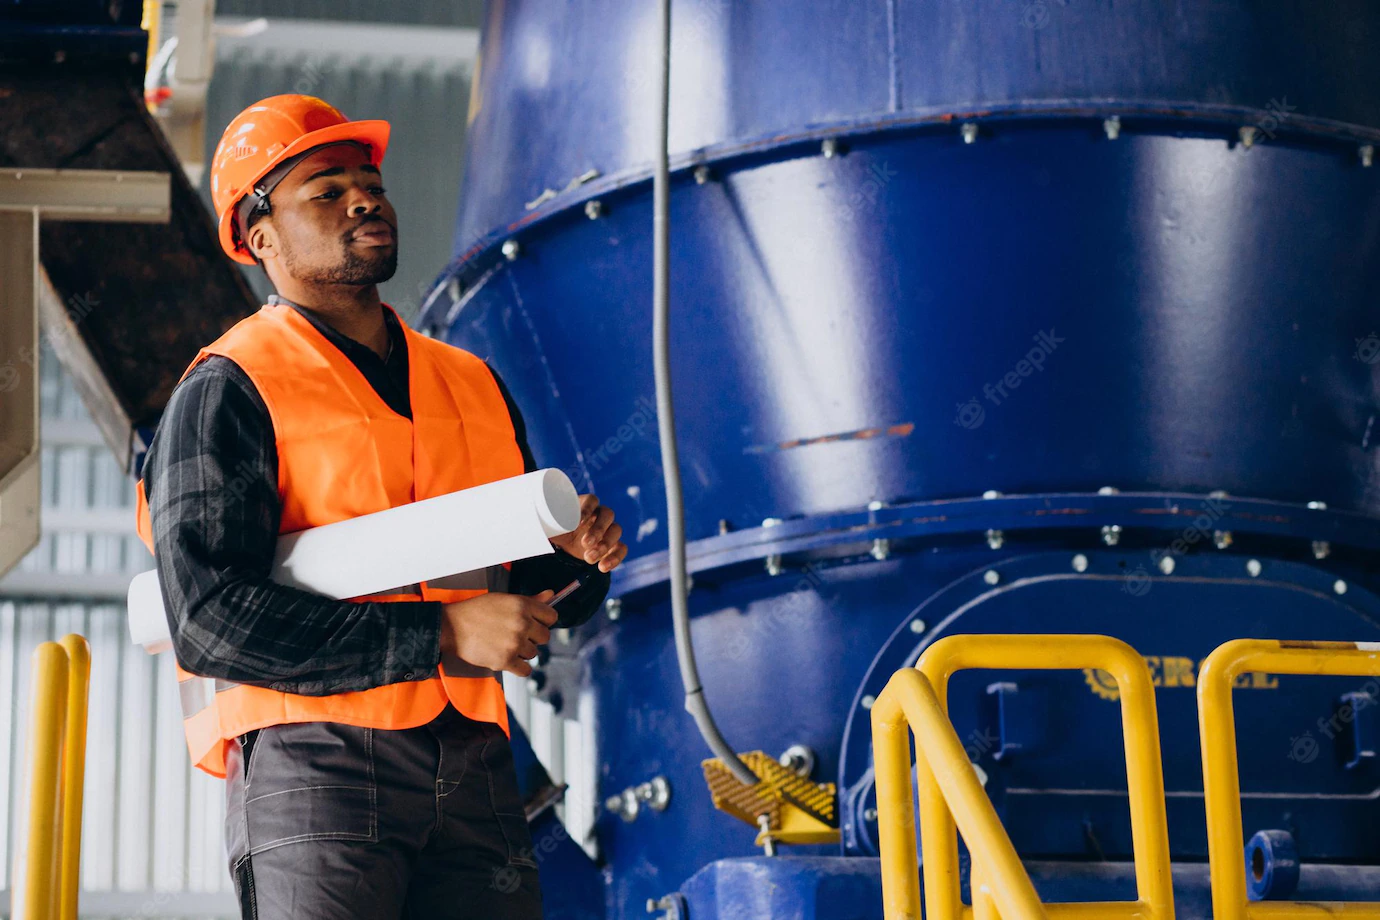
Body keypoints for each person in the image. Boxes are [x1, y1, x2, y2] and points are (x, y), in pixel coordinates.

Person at [134, 94, 627, 919]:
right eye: (326, 190)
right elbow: (211, 617)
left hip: (473, 768)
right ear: (261, 239)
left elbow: (521, 585)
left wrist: (576, 563)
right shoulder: (229, 387)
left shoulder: (469, 382)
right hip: (314, 765)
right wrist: (443, 634)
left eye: (369, 183)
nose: (364, 199)